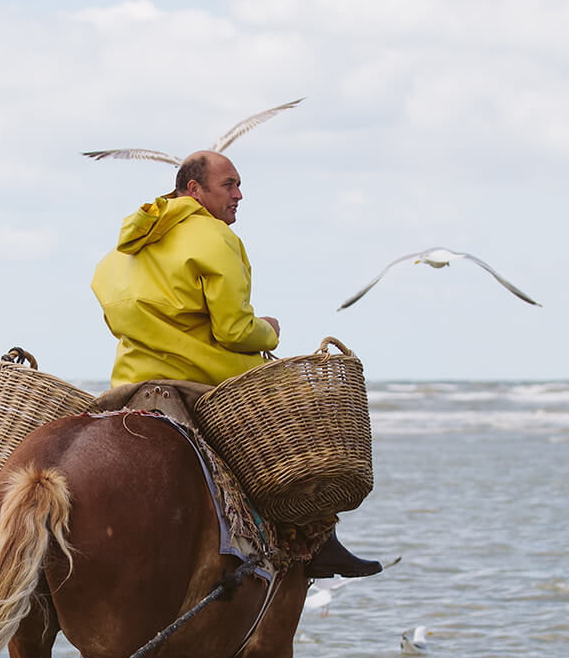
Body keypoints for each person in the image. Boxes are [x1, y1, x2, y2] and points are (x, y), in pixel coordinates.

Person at [91, 149, 381, 579]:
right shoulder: (215, 238)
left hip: (131, 382)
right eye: (229, 185)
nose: (240, 194)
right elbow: (233, 331)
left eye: (239, 184)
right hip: (206, 382)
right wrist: (268, 329)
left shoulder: (121, 252)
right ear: (194, 189)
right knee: (299, 437)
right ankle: (319, 542)